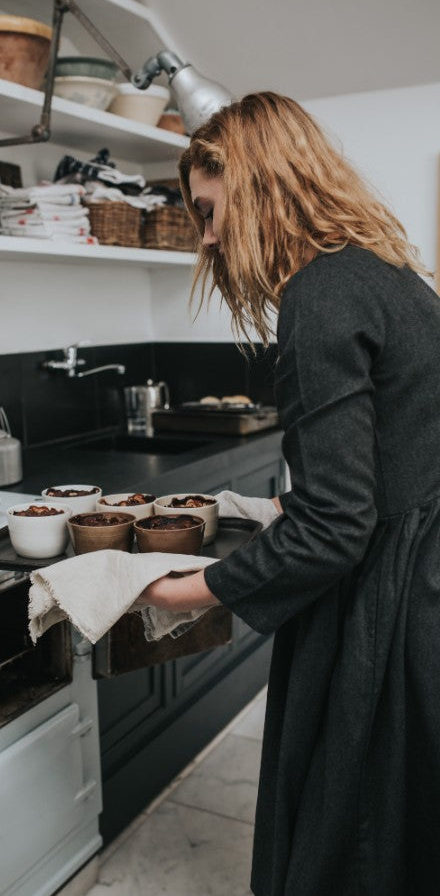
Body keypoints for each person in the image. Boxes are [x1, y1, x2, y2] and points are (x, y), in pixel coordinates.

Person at [138, 92, 440, 896]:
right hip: (424, 575)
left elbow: (338, 528)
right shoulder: (385, 274)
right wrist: (291, 510)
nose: (205, 238)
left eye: (208, 212)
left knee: (353, 840)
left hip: (390, 602)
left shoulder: (320, 296)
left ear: (261, 183)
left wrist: (184, 592)